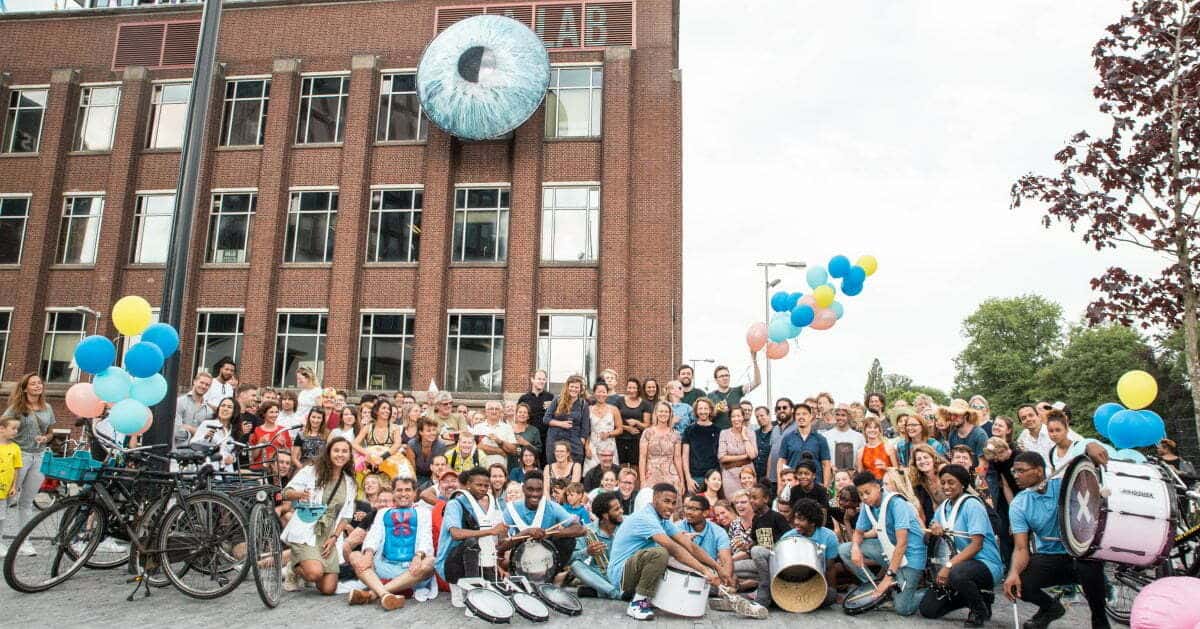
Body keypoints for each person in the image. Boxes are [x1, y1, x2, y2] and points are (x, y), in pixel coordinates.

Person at [1004, 449, 1111, 629]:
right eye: (1014, 471)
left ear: (1039, 471)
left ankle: (1100, 621)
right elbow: (1021, 548)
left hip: (1080, 553)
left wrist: (1090, 446)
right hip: (1049, 557)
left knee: (1091, 568)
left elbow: (1087, 470)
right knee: (1019, 583)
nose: (1015, 475)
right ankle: (1051, 608)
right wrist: (1013, 573)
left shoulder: (1064, 486)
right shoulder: (1018, 504)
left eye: (1021, 470)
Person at [607, 483, 723, 620]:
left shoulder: (662, 519)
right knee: (661, 553)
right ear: (655, 499)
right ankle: (637, 604)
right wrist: (704, 571)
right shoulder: (645, 518)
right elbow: (674, 549)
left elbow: (689, 545)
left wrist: (717, 568)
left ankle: (646, 597)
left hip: (634, 569)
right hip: (621, 575)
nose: (670, 507)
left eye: (673, 503)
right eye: (666, 501)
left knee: (673, 556)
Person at [918, 464, 1004, 626]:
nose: (946, 487)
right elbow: (927, 539)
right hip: (958, 565)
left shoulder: (973, 505)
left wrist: (948, 566)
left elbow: (977, 545)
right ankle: (979, 597)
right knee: (928, 609)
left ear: (963, 484)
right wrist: (932, 530)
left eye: (951, 482)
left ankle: (979, 611)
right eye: (943, 483)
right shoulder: (943, 508)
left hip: (985, 564)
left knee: (957, 574)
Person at [838, 471, 928, 617]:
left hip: (910, 557)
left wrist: (888, 578)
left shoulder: (897, 503)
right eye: (861, 494)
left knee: (903, 609)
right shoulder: (867, 505)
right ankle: (876, 587)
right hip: (889, 551)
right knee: (845, 549)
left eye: (867, 492)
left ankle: (929, 591)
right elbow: (859, 532)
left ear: (878, 487)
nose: (864, 497)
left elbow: (902, 543)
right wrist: (855, 547)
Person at [280, 437, 357, 595]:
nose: (340, 454)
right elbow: (285, 493)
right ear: (328, 453)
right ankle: (293, 568)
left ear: (349, 455)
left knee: (328, 589)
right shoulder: (312, 471)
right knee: (315, 574)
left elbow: (347, 516)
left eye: (344, 451)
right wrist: (300, 494)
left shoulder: (350, 482)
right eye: (336, 450)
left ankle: (308, 566)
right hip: (307, 529)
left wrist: (334, 537)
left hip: (329, 534)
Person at [345, 476, 435, 610]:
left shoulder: (424, 512)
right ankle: (385, 594)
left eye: (407, 490)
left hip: (411, 571)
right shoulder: (382, 513)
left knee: (430, 562)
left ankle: (372, 594)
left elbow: (425, 536)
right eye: (399, 490)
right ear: (393, 492)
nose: (403, 494)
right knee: (355, 556)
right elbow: (374, 535)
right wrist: (368, 554)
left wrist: (418, 556)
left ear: (414, 493)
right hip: (385, 567)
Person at [435, 467, 508, 606]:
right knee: (472, 541)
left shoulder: (487, 504)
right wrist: (491, 531)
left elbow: (490, 538)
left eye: (486, 486)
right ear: (468, 484)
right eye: (479, 485)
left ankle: (484, 582)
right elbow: (456, 534)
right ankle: (470, 589)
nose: (483, 489)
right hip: (452, 561)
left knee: (499, 596)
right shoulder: (454, 503)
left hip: (477, 557)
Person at [499, 471, 586, 578]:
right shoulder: (511, 509)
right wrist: (526, 532)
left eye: (538, 490)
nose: (535, 494)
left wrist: (552, 534)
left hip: (547, 557)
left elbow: (581, 529)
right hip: (520, 556)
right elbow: (501, 545)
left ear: (543, 490)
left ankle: (552, 575)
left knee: (568, 540)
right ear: (523, 489)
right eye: (530, 489)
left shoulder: (552, 507)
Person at [2, 374, 54, 537]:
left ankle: (24, 541)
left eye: (39, 383)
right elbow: (3, 427)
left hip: (39, 456)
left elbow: (50, 432)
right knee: (8, 498)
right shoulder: (16, 408)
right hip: (19, 455)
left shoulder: (47, 408)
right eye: (33, 384)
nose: (38, 386)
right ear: (25, 389)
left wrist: (45, 438)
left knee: (27, 501)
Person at [767, 497, 840, 609]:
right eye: (795, 518)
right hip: (791, 581)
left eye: (801, 519)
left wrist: (832, 590)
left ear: (813, 522)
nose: (796, 522)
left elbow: (830, 568)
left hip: (814, 581)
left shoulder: (829, 537)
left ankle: (794, 601)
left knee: (831, 596)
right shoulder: (788, 537)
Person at [571, 490, 624, 599]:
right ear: (605, 515)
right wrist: (587, 552)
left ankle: (600, 592)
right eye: (617, 509)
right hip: (600, 575)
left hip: (623, 574)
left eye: (620, 507)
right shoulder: (587, 530)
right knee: (575, 565)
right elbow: (571, 558)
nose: (622, 511)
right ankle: (615, 593)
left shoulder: (627, 525)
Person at [744, 483, 790, 606]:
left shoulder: (777, 517)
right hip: (761, 561)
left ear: (765, 499)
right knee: (733, 567)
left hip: (776, 557)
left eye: (755, 498)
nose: (751, 501)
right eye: (750, 497)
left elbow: (789, 538)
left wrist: (773, 546)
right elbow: (755, 540)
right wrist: (747, 545)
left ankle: (765, 587)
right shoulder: (756, 518)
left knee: (756, 551)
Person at [679, 495, 738, 591]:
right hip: (685, 567)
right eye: (687, 508)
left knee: (729, 577)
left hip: (709, 571)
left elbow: (726, 559)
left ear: (705, 513)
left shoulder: (718, 531)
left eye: (694, 509)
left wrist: (726, 579)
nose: (688, 512)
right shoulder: (678, 527)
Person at [777, 403, 832, 487]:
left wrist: (825, 487)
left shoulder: (820, 439)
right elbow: (781, 462)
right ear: (795, 417)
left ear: (811, 416)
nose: (801, 417)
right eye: (798, 414)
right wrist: (780, 485)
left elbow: (826, 464)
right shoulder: (787, 438)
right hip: (793, 485)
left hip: (815, 485)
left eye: (804, 414)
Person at [352, 399, 407, 479]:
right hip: (371, 461)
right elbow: (354, 444)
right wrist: (367, 454)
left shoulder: (395, 428)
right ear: (376, 411)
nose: (387, 411)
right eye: (384, 408)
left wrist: (382, 457)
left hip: (390, 461)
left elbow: (397, 444)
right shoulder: (368, 427)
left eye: (388, 409)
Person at [545, 375, 591, 465]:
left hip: (574, 440)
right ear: (567, 387)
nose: (574, 389)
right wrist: (561, 424)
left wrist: (581, 441)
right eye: (572, 386)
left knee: (574, 467)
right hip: (556, 438)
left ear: (580, 389)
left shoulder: (583, 404)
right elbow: (546, 419)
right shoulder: (557, 400)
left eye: (576, 387)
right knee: (554, 466)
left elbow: (585, 427)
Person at [639, 401, 684, 492]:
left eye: (666, 412)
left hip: (671, 475)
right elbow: (642, 458)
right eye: (661, 411)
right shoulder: (647, 433)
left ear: (670, 414)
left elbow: (677, 458)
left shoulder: (676, 434)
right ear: (656, 413)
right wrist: (642, 480)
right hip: (652, 475)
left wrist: (682, 480)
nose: (663, 414)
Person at [708, 356, 761, 430]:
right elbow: (706, 417)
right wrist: (717, 409)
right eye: (721, 376)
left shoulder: (737, 391)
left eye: (727, 375)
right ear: (716, 380)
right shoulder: (710, 396)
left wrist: (754, 361)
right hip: (716, 433)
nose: (725, 378)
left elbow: (757, 382)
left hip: (735, 433)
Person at [191, 397, 242, 472]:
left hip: (227, 471)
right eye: (223, 405)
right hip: (209, 469)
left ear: (234, 411)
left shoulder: (234, 430)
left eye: (229, 407)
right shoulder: (207, 424)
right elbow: (193, 443)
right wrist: (205, 437)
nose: (225, 409)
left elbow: (234, 451)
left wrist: (233, 458)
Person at [1015, 403, 1080, 462]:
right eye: (1023, 418)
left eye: (1031, 415)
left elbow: (1077, 445)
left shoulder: (1054, 431)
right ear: (1021, 423)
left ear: (1039, 416)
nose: (1028, 419)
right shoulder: (1023, 438)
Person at [683, 398, 722, 493]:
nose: (703, 411)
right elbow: (685, 456)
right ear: (696, 411)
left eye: (706, 408)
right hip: (695, 478)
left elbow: (720, 456)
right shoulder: (689, 430)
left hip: (713, 476)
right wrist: (688, 479)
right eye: (700, 408)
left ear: (710, 410)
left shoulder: (718, 431)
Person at [718, 405, 758, 494]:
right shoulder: (724, 433)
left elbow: (752, 455)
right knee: (732, 499)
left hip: (747, 474)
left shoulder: (750, 433)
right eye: (733, 416)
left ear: (743, 417)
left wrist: (744, 436)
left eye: (738, 416)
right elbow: (722, 457)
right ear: (730, 418)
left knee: (749, 498)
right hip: (729, 474)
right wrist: (745, 456)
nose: (736, 419)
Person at [905, 443, 946, 525]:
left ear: (933, 458)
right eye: (919, 459)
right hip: (942, 516)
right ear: (915, 463)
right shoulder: (921, 481)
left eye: (926, 457)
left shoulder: (944, 470)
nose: (923, 461)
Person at [585, 382, 622, 472]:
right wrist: (586, 447)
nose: (601, 394)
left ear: (607, 393)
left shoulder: (614, 409)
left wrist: (609, 434)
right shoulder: (589, 409)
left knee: (610, 473)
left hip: (609, 446)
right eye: (598, 392)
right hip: (593, 445)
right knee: (593, 472)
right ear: (594, 393)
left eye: (603, 392)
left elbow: (620, 429)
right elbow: (586, 431)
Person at [614, 378, 650, 467]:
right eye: (629, 388)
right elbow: (613, 421)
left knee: (636, 466)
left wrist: (637, 422)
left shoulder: (645, 404)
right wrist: (627, 428)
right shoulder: (619, 401)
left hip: (637, 440)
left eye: (634, 388)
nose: (631, 390)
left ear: (638, 389)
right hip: (621, 439)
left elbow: (647, 425)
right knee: (622, 466)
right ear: (626, 388)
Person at [0, 416, 22, 558]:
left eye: (17, 429)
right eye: (13, 428)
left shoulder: (15, 448)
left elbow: (16, 468)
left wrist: (14, 486)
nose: (16, 431)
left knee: (1, 517)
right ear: (2, 429)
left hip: (4, 490)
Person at [249, 400, 294, 469]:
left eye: (276, 412)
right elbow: (252, 457)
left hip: (277, 470)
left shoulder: (283, 430)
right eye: (271, 412)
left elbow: (289, 454)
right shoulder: (256, 430)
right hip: (259, 469)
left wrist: (284, 445)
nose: (274, 415)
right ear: (264, 414)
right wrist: (260, 443)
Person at [407, 417, 450, 486]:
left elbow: (437, 469)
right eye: (428, 431)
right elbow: (412, 469)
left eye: (434, 430)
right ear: (421, 432)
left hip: (433, 477)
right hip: (416, 476)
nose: (432, 433)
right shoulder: (412, 444)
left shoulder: (441, 446)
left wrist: (429, 485)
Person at [174, 372, 213, 448]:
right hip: (178, 449)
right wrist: (199, 432)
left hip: (198, 451)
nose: (203, 386)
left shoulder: (209, 411)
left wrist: (188, 428)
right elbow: (177, 429)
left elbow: (207, 435)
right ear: (194, 382)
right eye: (201, 382)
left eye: (207, 385)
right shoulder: (179, 402)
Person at [473, 400, 516, 469]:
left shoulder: (507, 428)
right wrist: (500, 451)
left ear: (500, 412)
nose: (494, 411)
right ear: (486, 412)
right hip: (481, 468)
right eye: (491, 409)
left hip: (501, 469)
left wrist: (499, 441)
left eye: (497, 409)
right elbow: (476, 447)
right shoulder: (478, 427)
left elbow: (513, 450)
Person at [822, 404, 864, 473]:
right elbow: (822, 459)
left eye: (843, 415)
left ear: (849, 417)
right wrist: (831, 467)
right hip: (832, 476)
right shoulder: (825, 436)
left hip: (853, 477)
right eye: (837, 414)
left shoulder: (859, 437)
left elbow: (862, 460)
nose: (840, 418)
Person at [518, 369, 555, 444]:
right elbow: (518, 418)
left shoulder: (551, 397)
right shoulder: (524, 398)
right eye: (539, 379)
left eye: (543, 379)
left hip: (546, 438)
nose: (541, 381)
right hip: (529, 437)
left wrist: (552, 407)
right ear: (532, 380)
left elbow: (556, 416)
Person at [766, 398, 797, 489]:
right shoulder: (775, 429)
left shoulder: (797, 427)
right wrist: (768, 476)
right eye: (778, 408)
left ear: (792, 409)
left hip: (789, 479)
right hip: (773, 479)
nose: (781, 410)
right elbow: (771, 453)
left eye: (784, 408)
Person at [508, 403, 543, 471]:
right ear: (516, 415)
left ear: (528, 416)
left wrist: (525, 443)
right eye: (520, 412)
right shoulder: (508, 429)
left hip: (529, 466)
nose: (522, 414)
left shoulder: (534, 430)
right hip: (511, 464)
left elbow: (538, 451)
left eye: (525, 412)